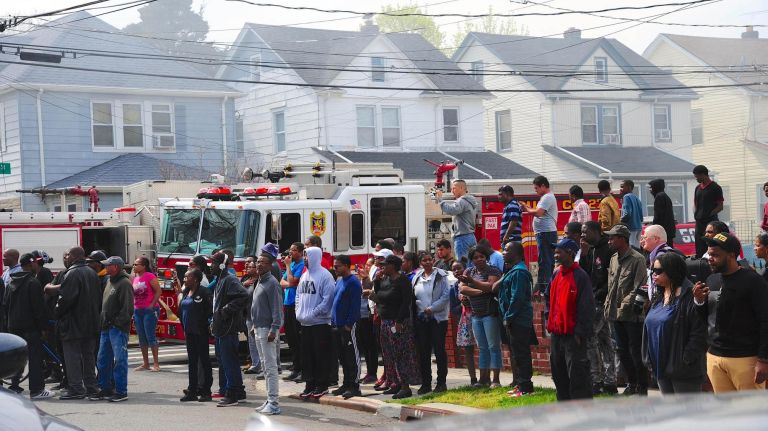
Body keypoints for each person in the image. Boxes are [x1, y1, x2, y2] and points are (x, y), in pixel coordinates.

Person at [692, 233, 768, 392]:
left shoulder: (753, 281)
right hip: (715, 356)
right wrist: (699, 301)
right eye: (709, 254)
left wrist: (763, 359)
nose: (710, 258)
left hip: (745, 359)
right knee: (726, 414)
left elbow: (765, 321)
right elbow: (708, 318)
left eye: (715, 255)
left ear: (732, 255)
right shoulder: (712, 279)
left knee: (750, 414)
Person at [642, 253, 707, 394]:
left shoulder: (691, 295)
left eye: (658, 271)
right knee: (671, 412)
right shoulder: (658, 295)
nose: (654, 274)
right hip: (660, 365)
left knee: (688, 412)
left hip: (682, 369)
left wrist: (687, 358)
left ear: (672, 271)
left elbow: (698, 331)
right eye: (652, 270)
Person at [604, 225, 649, 396]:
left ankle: (642, 387)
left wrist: (623, 306)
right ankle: (632, 383)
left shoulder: (637, 259)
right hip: (616, 315)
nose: (609, 241)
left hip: (632, 315)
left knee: (635, 352)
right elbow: (611, 286)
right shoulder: (613, 258)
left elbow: (639, 286)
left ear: (622, 239)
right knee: (622, 351)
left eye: (612, 238)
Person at [547, 239, 595, 401]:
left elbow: (587, 307)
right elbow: (548, 298)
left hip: (573, 336)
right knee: (558, 374)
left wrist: (580, 332)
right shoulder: (555, 273)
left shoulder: (581, 276)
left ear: (570, 253)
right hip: (556, 335)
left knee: (577, 374)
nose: (556, 255)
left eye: (559, 252)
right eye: (555, 252)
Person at [369, 254, 420, 399]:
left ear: (393, 266)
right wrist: (377, 281)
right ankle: (394, 383)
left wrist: (399, 321)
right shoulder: (384, 280)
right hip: (385, 321)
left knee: (401, 354)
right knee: (388, 354)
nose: (382, 266)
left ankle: (405, 386)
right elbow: (379, 295)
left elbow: (406, 303)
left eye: (386, 264)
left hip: (398, 322)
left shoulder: (402, 280)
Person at [2, 253, 52, 399]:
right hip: (30, 329)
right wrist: (44, 327)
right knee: (35, 358)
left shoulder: (11, 282)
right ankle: (37, 390)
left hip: (14, 328)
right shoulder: (33, 283)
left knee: (17, 358)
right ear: (31, 265)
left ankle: (15, 386)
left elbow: (5, 307)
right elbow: (39, 309)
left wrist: (7, 327)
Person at [56, 247, 102, 400]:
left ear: (74, 256)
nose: (66, 257)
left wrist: (57, 313)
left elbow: (65, 299)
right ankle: (91, 387)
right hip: (91, 323)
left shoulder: (72, 273)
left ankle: (76, 388)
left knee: (72, 357)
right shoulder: (92, 273)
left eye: (68, 254)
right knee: (89, 356)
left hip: (73, 323)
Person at [494, 242, 536, 397]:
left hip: (518, 320)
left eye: (506, 250)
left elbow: (516, 297)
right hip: (513, 320)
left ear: (516, 253)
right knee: (516, 354)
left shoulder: (519, 272)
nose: (503, 252)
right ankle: (520, 384)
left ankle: (526, 388)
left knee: (522, 354)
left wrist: (508, 317)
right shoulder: (512, 271)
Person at [580, 221, 617, 396]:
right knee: (603, 340)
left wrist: (600, 295)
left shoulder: (607, 249)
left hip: (604, 301)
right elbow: (585, 273)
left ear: (596, 232)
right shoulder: (591, 249)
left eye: (585, 232)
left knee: (590, 337)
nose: (582, 236)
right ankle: (609, 381)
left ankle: (598, 380)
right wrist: (585, 254)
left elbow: (610, 277)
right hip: (594, 300)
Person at [90, 256, 134, 403]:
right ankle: (105, 388)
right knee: (103, 359)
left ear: (116, 267)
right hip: (106, 328)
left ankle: (121, 391)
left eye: (108, 265)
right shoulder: (109, 280)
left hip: (117, 328)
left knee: (120, 360)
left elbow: (127, 309)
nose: (106, 268)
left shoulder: (124, 283)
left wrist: (117, 323)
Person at [458, 245, 503, 388]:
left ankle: (496, 380)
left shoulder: (493, 270)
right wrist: (479, 291)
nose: (479, 259)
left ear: (487, 257)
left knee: (493, 347)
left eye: (481, 257)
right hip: (476, 314)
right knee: (482, 347)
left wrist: (473, 283)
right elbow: (463, 288)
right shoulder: (469, 271)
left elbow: (491, 286)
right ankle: (484, 379)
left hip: (490, 314)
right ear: (471, 260)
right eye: (475, 257)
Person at [296, 246, 336, 399]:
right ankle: (309, 384)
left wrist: (311, 315)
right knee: (307, 356)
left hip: (320, 324)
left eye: (307, 256)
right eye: (304, 256)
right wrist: (299, 313)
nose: (305, 258)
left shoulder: (325, 276)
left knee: (320, 356)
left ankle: (322, 385)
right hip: (305, 324)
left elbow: (327, 301)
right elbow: (299, 295)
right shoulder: (305, 275)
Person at [209, 251, 249, 406]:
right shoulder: (220, 279)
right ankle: (239, 392)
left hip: (228, 328)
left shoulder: (229, 279)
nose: (210, 266)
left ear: (221, 265)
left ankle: (232, 393)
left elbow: (243, 296)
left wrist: (225, 311)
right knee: (227, 362)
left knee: (229, 362)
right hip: (221, 327)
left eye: (213, 263)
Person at [250, 253, 284, 415]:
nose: (259, 264)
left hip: (267, 330)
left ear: (270, 265)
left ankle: (274, 403)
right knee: (264, 366)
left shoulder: (272, 283)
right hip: (258, 328)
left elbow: (277, 309)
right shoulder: (260, 280)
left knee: (270, 368)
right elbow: (258, 305)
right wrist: (253, 325)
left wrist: (274, 329)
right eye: (258, 262)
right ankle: (269, 400)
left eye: (263, 262)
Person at [412, 252, 450, 395]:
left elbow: (446, 296)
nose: (427, 262)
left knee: (439, 351)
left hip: (438, 319)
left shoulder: (441, 275)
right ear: (420, 263)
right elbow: (413, 294)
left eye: (429, 259)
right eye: (424, 260)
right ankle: (426, 383)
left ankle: (441, 383)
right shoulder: (417, 277)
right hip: (421, 319)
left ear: (433, 260)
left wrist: (432, 308)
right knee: (423, 352)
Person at [177, 268, 213, 402]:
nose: (185, 279)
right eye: (185, 277)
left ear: (196, 279)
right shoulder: (186, 292)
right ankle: (192, 390)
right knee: (192, 362)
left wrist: (204, 325)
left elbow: (210, 312)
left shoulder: (204, 292)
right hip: (189, 332)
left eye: (187, 277)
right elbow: (182, 310)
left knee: (204, 362)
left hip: (201, 333)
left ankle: (206, 391)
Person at [330, 255, 363, 399]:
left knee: (352, 356)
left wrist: (349, 324)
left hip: (349, 326)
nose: (335, 269)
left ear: (346, 266)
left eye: (337, 266)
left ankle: (354, 386)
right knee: (342, 356)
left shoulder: (353, 282)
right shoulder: (339, 280)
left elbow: (355, 306)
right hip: (338, 325)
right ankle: (346, 383)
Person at [520, 176, 558, 294]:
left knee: (545, 261)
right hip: (545, 233)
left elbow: (538, 213)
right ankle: (545, 287)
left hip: (546, 233)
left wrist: (525, 207)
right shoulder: (546, 197)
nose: (535, 190)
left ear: (543, 186)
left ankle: (545, 290)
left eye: (536, 188)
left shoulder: (547, 197)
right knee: (545, 260)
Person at [436, 179, 478, 263]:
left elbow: (451, 210)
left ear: (462, 188)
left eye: (454, 188)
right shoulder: (470, 200)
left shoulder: (462, 201)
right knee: (472, 265)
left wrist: (440, 199)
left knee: (462, 266)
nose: (452, 191)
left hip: (462, 238)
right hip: (471, 236)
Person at [131, 256, 161, 372]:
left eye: (137, 264)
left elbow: (158, 291)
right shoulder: (134, 278)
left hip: (150, 310)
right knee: (141, 337)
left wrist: (152, 304)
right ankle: (145, 363)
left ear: (144, 266)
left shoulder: (150, 276)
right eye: (134, 264)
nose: (134, 266)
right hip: (138, 310)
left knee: (150, 336)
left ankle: (156, 364)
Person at [281, 242, 305, 383]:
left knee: (298, 338)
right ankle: (296, 368)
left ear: (301, 252)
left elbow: (293, 282)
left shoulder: (300, 265)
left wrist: (288, 266)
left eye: (294, 250)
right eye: (290, 250)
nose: (291, 253)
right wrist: (289, 282)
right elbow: (282, 281)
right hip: (287, 304)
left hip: (296, 304)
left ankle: (302, 369)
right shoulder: (293, 265)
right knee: (291, 338)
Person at [452, 260, 476, 385]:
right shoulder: (455, 287)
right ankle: (473, 379)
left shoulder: (473, 280)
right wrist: (461, 304)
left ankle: (487, 377)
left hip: (477, 315)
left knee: (484, 347)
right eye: (454, 269)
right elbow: (453, 307)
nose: (457, 271)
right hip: (465, 318)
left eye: (459, 268)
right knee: (468, 349)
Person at [693, 165, 724, 258]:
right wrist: (696, 214)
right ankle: (700, 263)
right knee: (699, 244)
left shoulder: (715, 187)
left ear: (703, 175)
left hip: (710, 222)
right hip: (699, 222)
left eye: (697, 176)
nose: (696, 179)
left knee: (710, 244)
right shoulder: (697, 188)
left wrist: (709, 215)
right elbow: (695, 203)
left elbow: (720, 206)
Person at [356, 257, 378, 385]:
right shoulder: (363, 279)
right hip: (361, 316)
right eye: (366, 265)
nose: (366, 268)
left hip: (368, 316)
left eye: (369, 266)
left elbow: (369, 290)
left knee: (371, 346)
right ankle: (369, 372)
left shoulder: (370, 279)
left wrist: (365, 278)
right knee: (365, 346)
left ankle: (373, 373)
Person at [241, 260, 263, 376]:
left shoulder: (260, 281)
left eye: (251, 267)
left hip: (257, 316)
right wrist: (243, 285)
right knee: (252, 342)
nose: (248, 269)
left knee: (259, 342)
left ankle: (261, 366)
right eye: (248, 267)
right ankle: (255, 364)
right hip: (248, 314)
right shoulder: (245, 280)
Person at [649, 179, 676, 247]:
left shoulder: (659, 197)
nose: (650, 190)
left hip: (663, 231)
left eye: (651, 187)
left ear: (656, 187)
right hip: (668, 230)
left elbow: (658, 215)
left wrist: (654, 228)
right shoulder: (665, 196)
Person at [620, 180, 644, 248]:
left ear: (629, 187)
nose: (621, 189)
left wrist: (620, 222)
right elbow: (641, 216)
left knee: (630, 249)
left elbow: (627, 214)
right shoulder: (637, 198)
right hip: (639, 227)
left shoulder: (626, 197)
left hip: (631, 228)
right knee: (637, 248)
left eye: (622, 186)